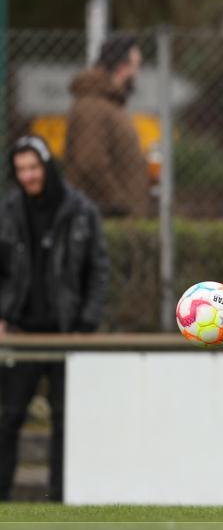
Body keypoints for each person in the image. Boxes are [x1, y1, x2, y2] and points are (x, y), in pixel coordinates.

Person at [0, 135, 109, 502]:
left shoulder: (80, 211)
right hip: (21, 332)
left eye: (33, 168)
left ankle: (61, 497)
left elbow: (98, 270)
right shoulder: (8, 211)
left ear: (47, 166)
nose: (28, 176)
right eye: (20, 170)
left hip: (67, 333)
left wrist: (86, 324)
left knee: (66, 419)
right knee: (9, 415)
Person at [65, 36, 148, 217]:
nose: (138, 73)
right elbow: (90, 161)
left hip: (115, 216)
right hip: (104, 217)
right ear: (122, 67)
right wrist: (119, 203)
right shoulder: (91, 106)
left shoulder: (109, 105)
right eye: (136, 66)